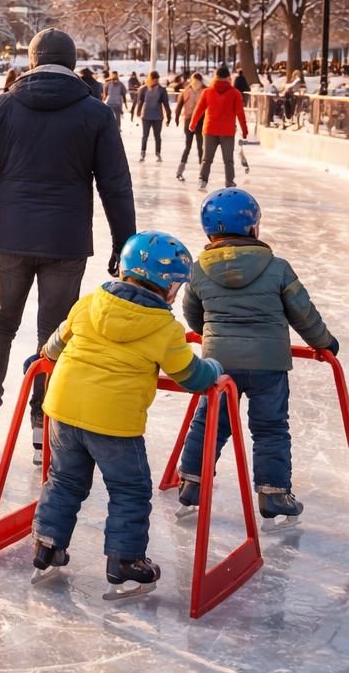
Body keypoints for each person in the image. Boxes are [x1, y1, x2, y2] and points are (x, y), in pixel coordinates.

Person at [0, 28, 136, 449]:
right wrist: (123, 242)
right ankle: (43, 422)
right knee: (55, 332)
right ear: (73, 63)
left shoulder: (3, 106)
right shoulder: (95, 114)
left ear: (33, 60)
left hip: (13, 237)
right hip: (66, 240)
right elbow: (116, 184)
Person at [28, 230, 222, 596]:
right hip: (114, 425)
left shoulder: (88, 303)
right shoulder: (165, 328)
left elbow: (53, 346)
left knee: (65, 481)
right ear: (167, 287)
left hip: (63, 411)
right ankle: (124, 560)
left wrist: (44, 358)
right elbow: (192, 376)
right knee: (129, 490)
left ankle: (46, 544)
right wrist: (214, 368)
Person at [173, 189, 337, 524]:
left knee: (209, 424)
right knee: (271, 428)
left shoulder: (200, 271)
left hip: (219, 365)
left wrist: (211, 335)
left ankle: (192, 482)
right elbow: (302, 313)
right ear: (253, 228)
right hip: (268, 366)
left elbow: (192, 313)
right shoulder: (277, 268)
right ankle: (273, 492)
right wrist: (324, 342)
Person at [190, 66, 249, 190]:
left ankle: (202, 180)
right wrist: (244, 130)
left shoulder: (207, 92)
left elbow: (199, 109)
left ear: (215, 77)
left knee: (207, 158)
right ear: (228, 78)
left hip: (210, 129)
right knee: (228, 160)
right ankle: (229, 182)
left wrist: (193, 123)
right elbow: (240, 113)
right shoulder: (235, 93)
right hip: (227, 131)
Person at [173, 72, 205, 181]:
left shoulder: (205, 91)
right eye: (194, 81)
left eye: (198, 82)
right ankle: (180, 171)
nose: (196, 84)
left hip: (201, 122)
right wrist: (176, 118)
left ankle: (202, 173)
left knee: (200, 147)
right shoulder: (187, 91)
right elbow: (179, 105)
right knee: (188, 146)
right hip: (188, 121)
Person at [135, 70, 171, 163]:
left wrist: (169, 115)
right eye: (153, 79)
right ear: (149, 79)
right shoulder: (144, 89)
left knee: (157, 136)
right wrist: (138, 112)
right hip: (146, 116)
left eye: (156, 80)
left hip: (158, 117)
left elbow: (166, 103)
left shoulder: (161, 90)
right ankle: (143, 153)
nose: (155, 81)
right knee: (145, 135)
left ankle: (158, 153)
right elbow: (140, 102)